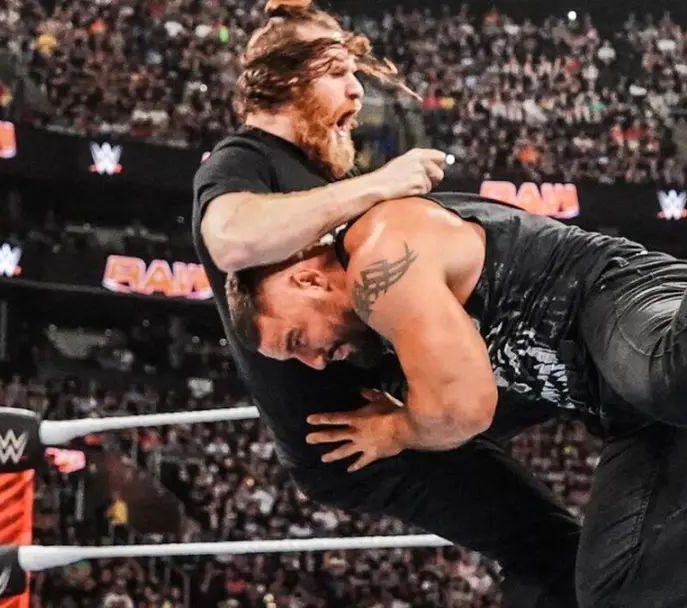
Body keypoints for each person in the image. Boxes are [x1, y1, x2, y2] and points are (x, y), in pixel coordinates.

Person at [219, 18, 687, 607]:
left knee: (679, 383)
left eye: (296, 340)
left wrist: (397, 429)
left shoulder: (381, 254)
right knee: (614, 597)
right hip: (634, 412)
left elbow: (465, 406)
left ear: (307, 277)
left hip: (626, 305)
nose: (313, 361)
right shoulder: (376, 337)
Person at [193, 2, 581, 605]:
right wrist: (380, 184)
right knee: (551, 548)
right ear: (288, 82)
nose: (356, 91)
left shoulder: (318, 178)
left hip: (407, 400)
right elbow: (229, 239)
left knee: (585, 376)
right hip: (359, 439)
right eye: (338, 73)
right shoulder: (243, 159)